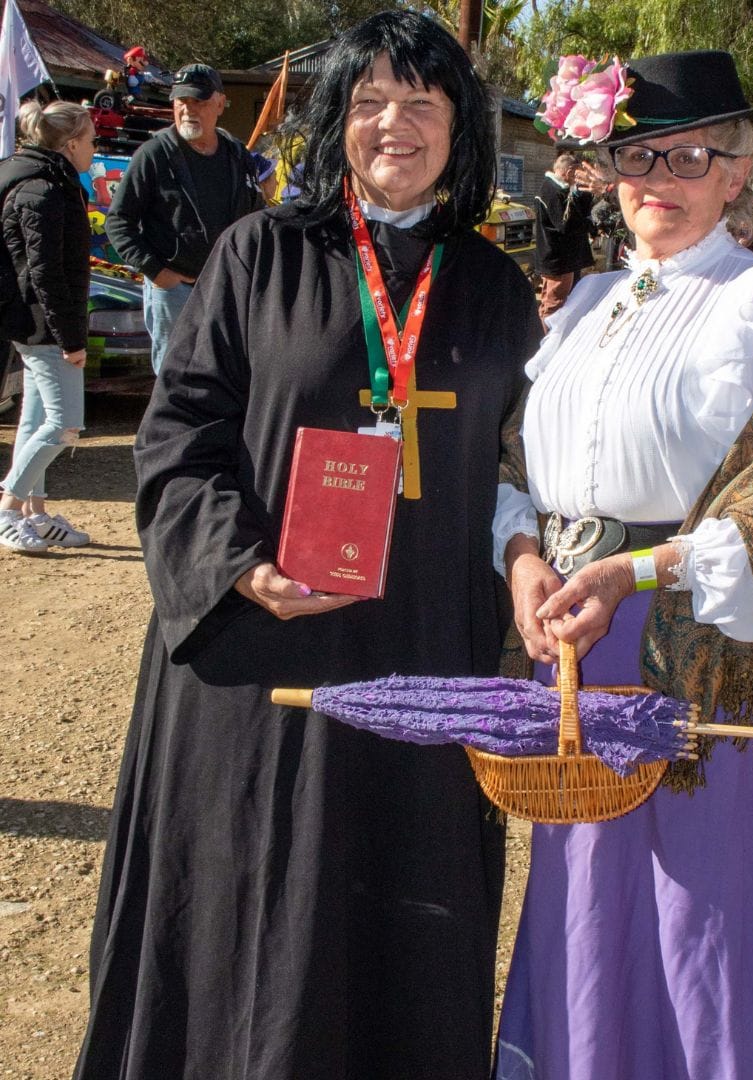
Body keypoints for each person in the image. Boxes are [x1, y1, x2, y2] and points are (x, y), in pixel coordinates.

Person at [73, 11, 543, 1080]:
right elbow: (179, 434)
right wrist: (240, 563)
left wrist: (534, 562)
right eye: (370, 100)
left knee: (401, 925)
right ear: (337, 119)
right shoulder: (259, 254)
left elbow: (528, 469)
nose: (394, 124)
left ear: (460, 127)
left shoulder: (495, 290)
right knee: (250, 912)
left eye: (422, 102)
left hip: (425, 651)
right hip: (265, 656)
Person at [493, 49, 753, 1080]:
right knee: (595, 916)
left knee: (713, 931)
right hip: (577, 655)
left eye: (688, 157)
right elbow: (516, 464)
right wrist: (521, 557)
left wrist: (634, 574)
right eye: (637, 156)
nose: (658, 178)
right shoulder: (583, 306)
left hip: (706, 657)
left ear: (738, 172)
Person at [104, 62, 263, 374]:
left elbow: (255, 217)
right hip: (174, 292)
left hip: (228, 288)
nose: (188, 110)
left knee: (227, 375)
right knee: (174, 378)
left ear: (220, 103)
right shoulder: (154, 154)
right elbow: (118, 222)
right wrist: (156, 272)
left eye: (198, 101)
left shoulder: (237, 154)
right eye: (181, 101)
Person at [0, 101, 94, 554]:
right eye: (92, 139)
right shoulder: (44, 189)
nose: (94, 147)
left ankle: (33, 514)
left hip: (34, 324)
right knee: (64, 424)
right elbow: (46, 274)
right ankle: (8, 508)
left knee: (35, 419)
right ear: (71, 143)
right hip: (43, 328)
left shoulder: (46, 181)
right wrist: (70, 339)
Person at [535, 151, 595, 319]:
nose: (577, 178)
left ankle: (544, 331)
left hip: (558, 258)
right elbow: (567, 225)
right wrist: (592, 223)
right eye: (576, 173)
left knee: (551, 302)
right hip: (559, 259)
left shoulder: (554, 188)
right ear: (568, 172)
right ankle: (546, 334)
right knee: (555, 306)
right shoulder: (554, 191)